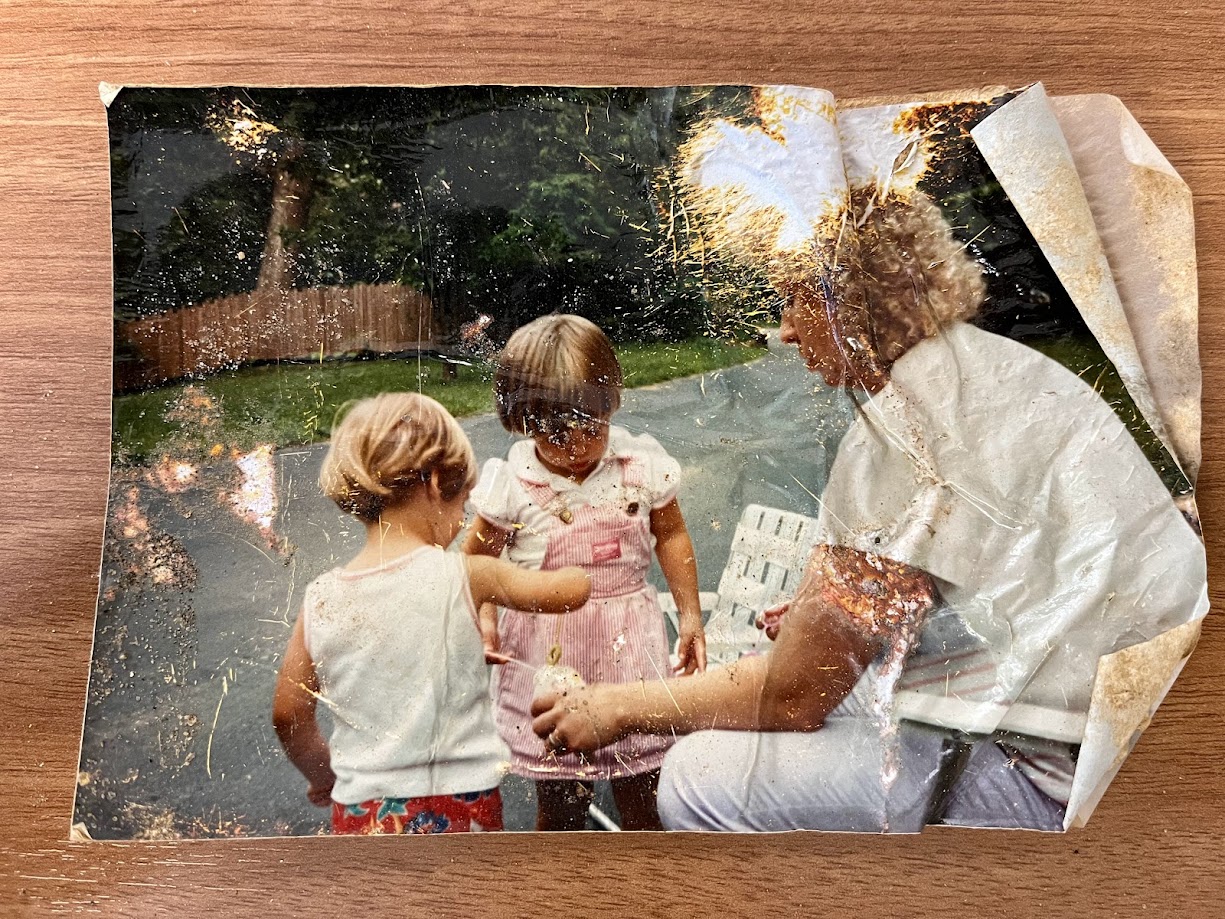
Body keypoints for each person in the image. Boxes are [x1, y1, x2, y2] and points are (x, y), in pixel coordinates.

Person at [530, 193, 1207, 833]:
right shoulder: (984, 367)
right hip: (1152, 725)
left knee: (695, 777)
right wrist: (839, 619)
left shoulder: (903, 423)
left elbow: (796, 694)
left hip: (1072, 779)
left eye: (794, 299)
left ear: (848, 298)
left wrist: (616, 706)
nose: (786, 330)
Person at [272, 392, 590, 835]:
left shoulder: (320, 597)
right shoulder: (467, 574)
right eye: (463, 506)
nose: (461, 521)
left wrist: (325, 776)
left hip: (364, 810)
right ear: (438, 483)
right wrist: (576, 553)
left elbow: (288, 713)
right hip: (461, 801)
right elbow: (566, 593)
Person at [464, 314, 706, 831]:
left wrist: (690, 615)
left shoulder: (639, 465)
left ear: (610, 404)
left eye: (591, 427)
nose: (575, 444)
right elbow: (475, 563)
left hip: (628, 650)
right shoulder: (514, 482)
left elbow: (671, 535)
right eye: (554, 433)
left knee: (643, 792)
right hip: (548, 656)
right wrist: (483, 620)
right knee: (561, 803)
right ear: (522, 420)